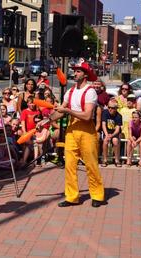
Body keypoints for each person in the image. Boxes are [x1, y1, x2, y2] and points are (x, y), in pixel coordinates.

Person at [41, 61, 106, 208]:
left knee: (91, 165)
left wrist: (68, 111)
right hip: (71, 130)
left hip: (86, 131)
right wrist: (47, 120)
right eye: (75, 70)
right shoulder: (70, 91)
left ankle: (97, 195)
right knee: (70, 165)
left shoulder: (90, 92)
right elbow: (60, 111)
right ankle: (71, 197)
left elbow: (88, 116)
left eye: (78, 71)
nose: (74, 73)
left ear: (85, 74)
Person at [101, 101, 123, 167]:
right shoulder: (105, 112)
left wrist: (112, 135)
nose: (110, 109)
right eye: (109, 107)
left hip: (114, 132)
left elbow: (117, 129)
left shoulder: (119, 116)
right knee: (105, 141)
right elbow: (103, 124)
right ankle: (105, 160)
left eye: (112, 108)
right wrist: (107, 134)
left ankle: (117, 160)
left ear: (116, 108)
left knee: (115, 141)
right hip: (107, 131)